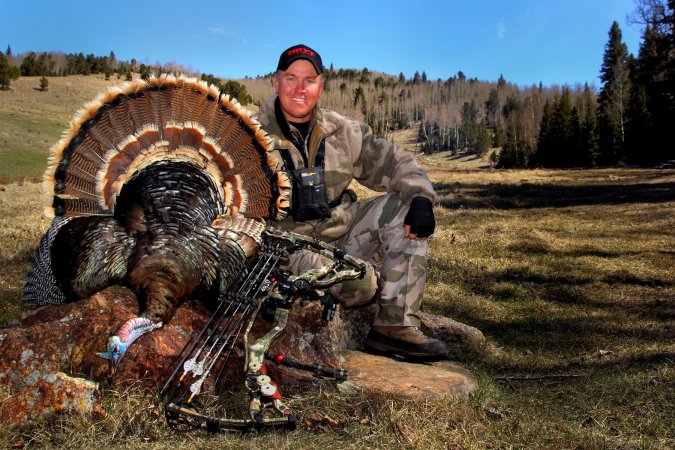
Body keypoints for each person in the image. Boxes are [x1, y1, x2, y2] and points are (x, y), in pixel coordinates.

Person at [254, 44, 447, 360]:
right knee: (361, 286)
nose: (300, 88)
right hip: (287, 250)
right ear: (276, 82)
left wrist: (421, 198)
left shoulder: (344, 131)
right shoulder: (249, 133)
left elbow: (394, 161)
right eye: (291, 78)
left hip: (341, 235)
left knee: (402, 209)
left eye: (309, 80)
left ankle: (394, 328)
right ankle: (362, 287)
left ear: (321, 85)